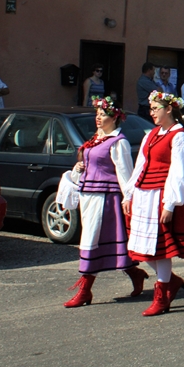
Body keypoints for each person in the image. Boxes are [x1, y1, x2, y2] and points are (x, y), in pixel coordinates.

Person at [62, 97, 148, 307]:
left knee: (92, 241)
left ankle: (85, 290)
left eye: (103, 114)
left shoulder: (118, 142)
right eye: (97, 114)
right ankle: (135, 273)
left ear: (115, 117)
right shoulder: (96, 139)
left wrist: (128, 198)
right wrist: (79, 168)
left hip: (106, 199)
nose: (98, 118)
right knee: (101, 242)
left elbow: (125, 173)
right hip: (89, 196)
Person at [124, 91, 184, 316]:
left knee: (161, 248)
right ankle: (170, 281)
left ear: (169, 109)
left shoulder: (179, 136)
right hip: (144, 194)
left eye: (155, 108)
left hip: (161, 194)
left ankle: (162, 295)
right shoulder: (152, 134)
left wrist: (169, 204)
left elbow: (179, 172)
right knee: (141, 246)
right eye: (151, 109)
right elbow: (140, 165)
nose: (152, 113)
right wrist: (129, 194)